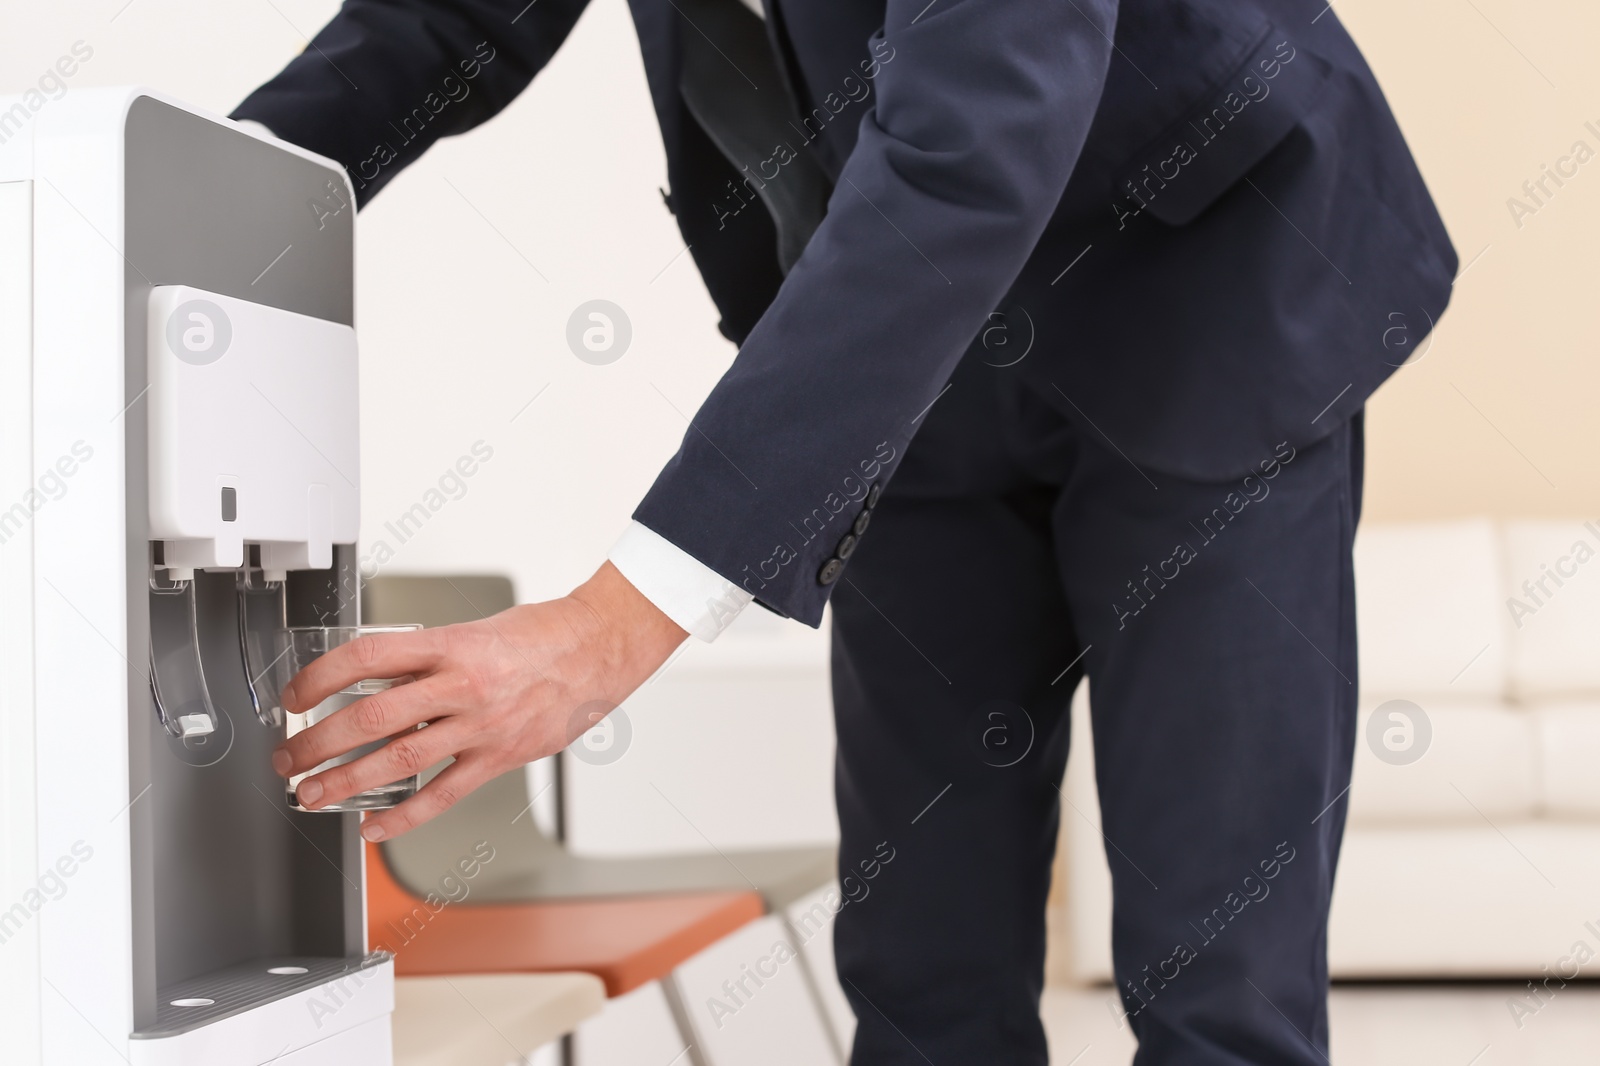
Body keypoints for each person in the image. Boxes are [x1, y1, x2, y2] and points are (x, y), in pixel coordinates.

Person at [238, 0, 1456, 1061]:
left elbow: (972, 145)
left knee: (1217, 979)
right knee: (919, 967)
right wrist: (196, 194)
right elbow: (448, 17)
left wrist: (608, 629)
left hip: (1211, 297)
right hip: (907, 367)